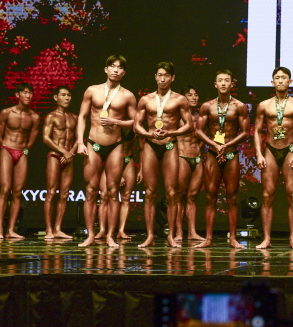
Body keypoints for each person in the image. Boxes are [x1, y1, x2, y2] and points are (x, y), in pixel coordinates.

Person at [76, 55, 138, 248]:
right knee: (90, 190)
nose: (116, 70)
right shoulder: (92, 90)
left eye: (120, 67)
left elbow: (136, 122)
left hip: (115, 146)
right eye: (112, 66)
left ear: (124, 73)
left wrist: (115, 121)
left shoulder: (127, 96)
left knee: (113, 192)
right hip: (93, 143)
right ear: (106, 69)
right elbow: (82, 116)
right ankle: (90, 236)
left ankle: (110, 235)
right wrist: (79, 142)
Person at [134, 61, 190, 248]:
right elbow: (136, 125)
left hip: (170, 145)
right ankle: (149, 236)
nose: (163, 79)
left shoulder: (179, 100)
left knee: (171, 192)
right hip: (151, 145)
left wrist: (172, 132)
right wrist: (149, 134)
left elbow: (189, 124)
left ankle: (171, 236)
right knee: (149, 192)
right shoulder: (146, 100)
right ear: (155, 77)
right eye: (160, 75)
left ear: (172, 78)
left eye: (166, 75)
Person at [253, 66, 293, 249]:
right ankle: (266, 239)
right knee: (267, 195)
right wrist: (259, 153)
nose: (280, 80)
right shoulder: (264, 105)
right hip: (270, 150)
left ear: (290, 81)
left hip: (290, 150)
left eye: (283, 77)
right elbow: (257, 131)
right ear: (272, 82)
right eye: (277, 78)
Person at [195, 70, 250, 249]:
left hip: (231, 154)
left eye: (227, 80)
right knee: (210, 196)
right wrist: (215, 145)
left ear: (232, 84)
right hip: (213, 153)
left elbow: (246, 132)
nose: (224, 83)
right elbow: (198, 130)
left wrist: (226, 145)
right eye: (220, 80)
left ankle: (233, 238)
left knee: (232, 197)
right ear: (215, 84)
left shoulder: (239, 106)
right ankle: (208, 238)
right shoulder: (207, 106)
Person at [0, 83, 41, 240]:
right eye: (25, 92)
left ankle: (10, 230)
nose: (28, 95)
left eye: (30, 93)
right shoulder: (6, 113)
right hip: (7, 149)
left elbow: (32, 138)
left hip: (22, 153)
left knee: (18, 191)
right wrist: (5, 147)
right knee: (5, 189)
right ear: (17, 95)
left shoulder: (34, 117)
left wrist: (24, 149)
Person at [42, 85, 77, 240]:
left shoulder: (74, 117)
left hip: (68, 158)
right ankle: (49, 230)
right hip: (55, 156)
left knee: (64, 194)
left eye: (69, 95)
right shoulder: (51, 116)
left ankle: (58, 229)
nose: (67, 98)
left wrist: (70, 153)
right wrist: (64, 152)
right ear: (56, 98)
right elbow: (46, 138)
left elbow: (79, 138)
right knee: (51, 192)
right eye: (63, 95)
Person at [175, 85, 205, 243]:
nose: (194, 97)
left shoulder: (200, 117)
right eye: (190, 95)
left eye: (196, 95)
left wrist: (198, 149)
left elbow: (203, 137)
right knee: (180, 196)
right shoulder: (177, 117)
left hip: (197, 158)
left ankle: (192, 232)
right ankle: (179, 231)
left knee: (192, 196)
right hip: (182, 157)